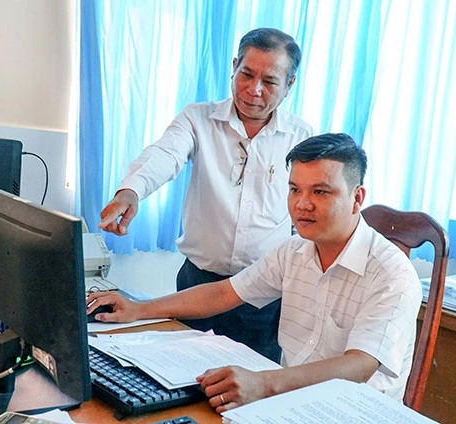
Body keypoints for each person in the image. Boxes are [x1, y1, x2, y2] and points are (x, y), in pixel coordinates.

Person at [89, 133, 422, 412]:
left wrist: (264, 383)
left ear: (357, 198)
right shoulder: (294, 251)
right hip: (291, 404)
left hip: (354, 413)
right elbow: (224, 292)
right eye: (295, 189)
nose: (302, 204)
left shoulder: (392, 273)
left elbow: (359, 365)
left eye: (320, 192)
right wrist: (139, 309)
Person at [98, 28, 314, 362]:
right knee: (183, 377)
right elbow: (164, 155)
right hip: (197, 285)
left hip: (263, 295)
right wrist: (131, 191)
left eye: (269, 81)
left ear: (290, 84)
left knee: (253, 384)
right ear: (234, 66)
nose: (254, 89)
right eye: (246, 74)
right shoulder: (198, 119)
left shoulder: (301, 137)